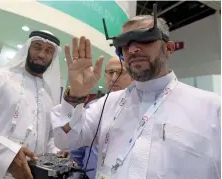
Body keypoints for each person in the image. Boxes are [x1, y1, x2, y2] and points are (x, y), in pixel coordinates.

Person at [49, 15, 221, 179]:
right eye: (124, 43)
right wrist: (77, 95)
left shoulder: (213, 109)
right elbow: (65, 140)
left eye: (145, 39)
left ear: (168, 48)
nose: (132, 49)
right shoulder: (107, 104)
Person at [0, 30, 62, 179]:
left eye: (48, 51)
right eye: (37, 47)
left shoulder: (49, 97)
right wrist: (7, 154)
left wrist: (58, 155)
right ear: (27, 48)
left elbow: (49, 138)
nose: (41, 55)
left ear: (53, 57)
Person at [70, 56, 133, 179]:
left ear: (132, 77)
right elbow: (77, 151)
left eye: (120, 72)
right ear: (104, 76)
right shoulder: (93, 107)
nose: (114, 78)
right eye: (110, 72)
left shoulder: (139, 111)